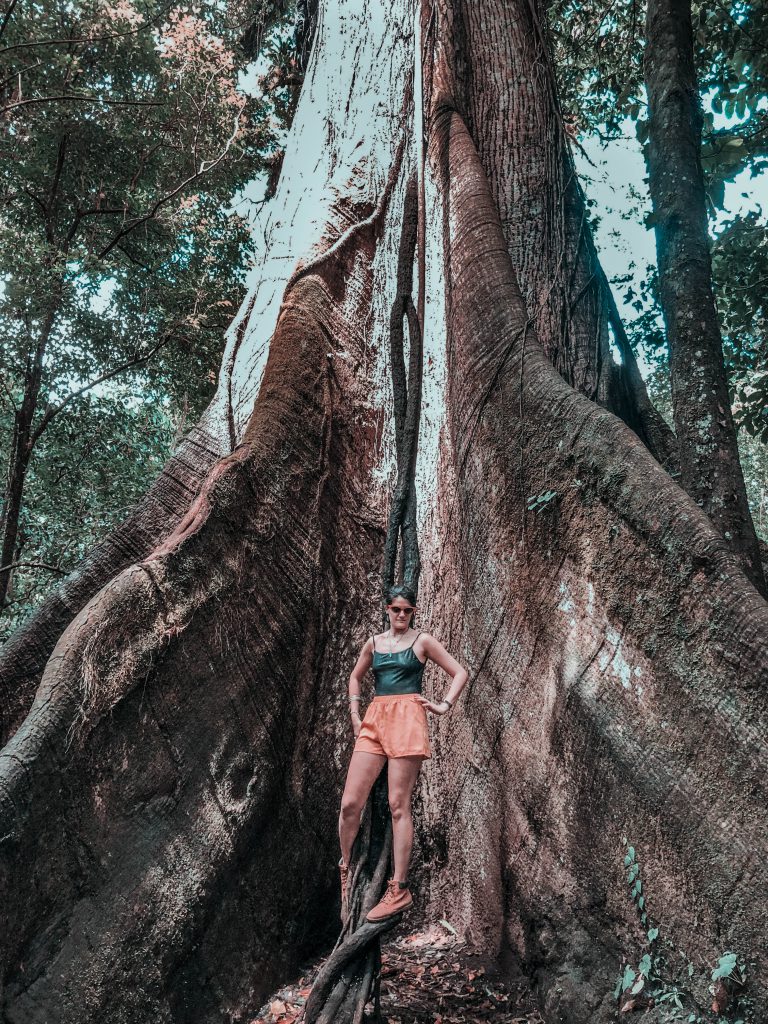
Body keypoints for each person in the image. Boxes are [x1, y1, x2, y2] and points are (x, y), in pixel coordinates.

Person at [337, 584, 468, 923]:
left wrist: (442, 706)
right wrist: (354, 713)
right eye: (395, 609)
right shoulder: (374, 642)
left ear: (413, 612)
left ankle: (399, 888)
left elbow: (460, 671)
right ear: (387, 609)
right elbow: (355, 676)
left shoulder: (422, 641)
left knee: (398, 805)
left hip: (408, 717)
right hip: (375, 718)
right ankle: (345, 868)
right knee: (351, 802)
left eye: (406, 610)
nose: (400, 614)